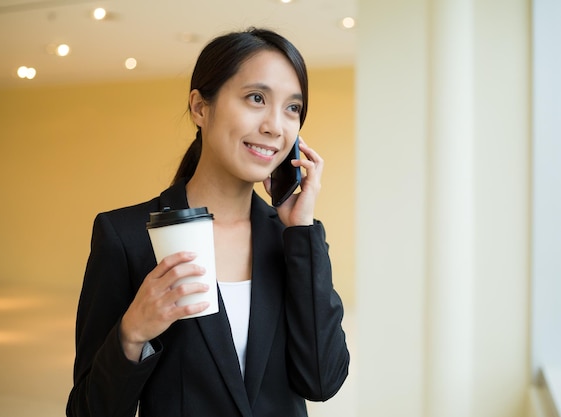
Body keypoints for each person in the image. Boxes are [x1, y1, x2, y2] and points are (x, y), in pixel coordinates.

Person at [66, 27, 350, 417]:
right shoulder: (127, 237)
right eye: (256, 98)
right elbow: (88, 410)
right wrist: (131, 334)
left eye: (292, 108)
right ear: (200, 108)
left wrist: (301, 231)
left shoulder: (291, 239)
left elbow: (322, 381)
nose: (275, 126)